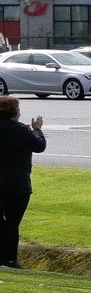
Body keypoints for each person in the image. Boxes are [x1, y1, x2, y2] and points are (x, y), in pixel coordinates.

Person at [0, 95, 46, 268]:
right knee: (12, 223)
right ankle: (10, 259)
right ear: (15, 112)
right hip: (17, 185)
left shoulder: (19, 129)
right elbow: (39, 145)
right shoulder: (21, 130)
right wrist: (37, 129)